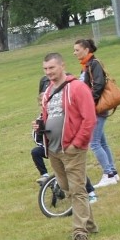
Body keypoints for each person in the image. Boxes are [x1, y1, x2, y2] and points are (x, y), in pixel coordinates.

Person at [34, 52, 97, 240]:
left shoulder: (77, 88)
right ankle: (91, 224)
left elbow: (90, 119)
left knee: (77, 189)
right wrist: (41, 126)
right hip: (53, 149)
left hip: (72, 149)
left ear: (62, 66)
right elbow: (49, 117)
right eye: (45, 69)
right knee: (68, 188)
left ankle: (80, 231)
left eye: (52, 68)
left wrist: (77, 143)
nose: (49, 72)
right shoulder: (47, 93)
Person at [32, 75, 97, 203]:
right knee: (36, 153)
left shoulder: (64, 107)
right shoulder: (42, 116)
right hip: (52, 148)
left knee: (75, 171)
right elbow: (38, 138)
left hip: (68, 145)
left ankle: (90, 192)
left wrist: (75, 143)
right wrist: (38, 130)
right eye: (40, 104)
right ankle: (47, 177)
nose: (42, 106)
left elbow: (87, 120)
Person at [73, 38, 119, 188]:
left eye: (77, 50)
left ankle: (109, 174)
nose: (74, 53)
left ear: (86, 50)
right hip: (95, 108)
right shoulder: (86, 66)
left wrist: (89, 104)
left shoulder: (94, 64)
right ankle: (113, 172)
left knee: (94, 142)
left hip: (96, 109)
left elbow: (99, 85)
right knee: (102, 142)